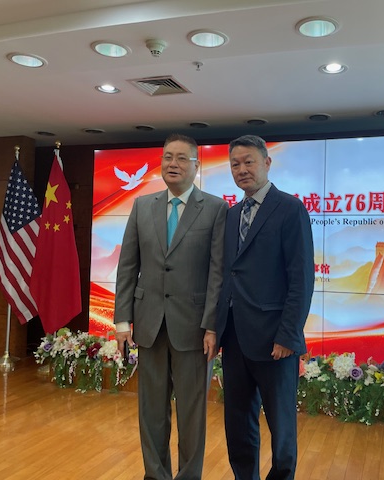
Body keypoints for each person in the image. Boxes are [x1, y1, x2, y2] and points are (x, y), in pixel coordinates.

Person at [114, 133, 227, 480]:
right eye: (167, 157)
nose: (172, 164)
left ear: (196, 165)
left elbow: (218, 273)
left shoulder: (215, 208)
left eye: (181, 158)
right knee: (151, 410)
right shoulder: (142, 206)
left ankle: (189, 475)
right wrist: (122, 322)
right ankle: (156, 475)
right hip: (149, 325)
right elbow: (128, 266)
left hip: (194, 329)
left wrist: (212, 325)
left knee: (192, 412)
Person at [213, 135, 314, 480]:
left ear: (267, 163)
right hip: (235, 337)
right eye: (235, 164)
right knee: (238, 422)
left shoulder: (289, 209)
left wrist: (288, 334)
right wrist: (216, 329)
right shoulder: (231, 215)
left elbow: (301, 278)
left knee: (281, 425)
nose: (242, 170)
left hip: (275, 341)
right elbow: (228, 275)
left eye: (249, 162)